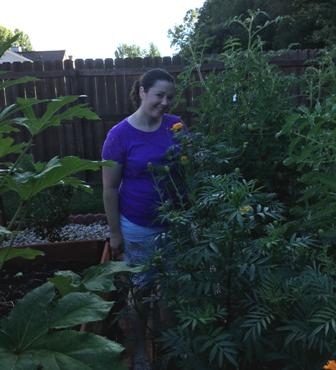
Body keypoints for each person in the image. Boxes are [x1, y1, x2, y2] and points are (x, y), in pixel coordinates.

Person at [101, 68, 183, 369]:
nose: (165, 102)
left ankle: (167, 350)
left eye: (170, 97)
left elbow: (185, 171)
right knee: (141, 292)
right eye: (159, 95)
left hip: (175, 224)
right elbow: (109, 189)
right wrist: (115, 233)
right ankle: (137, 352)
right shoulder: (119, 135)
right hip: (138, 227)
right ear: (142, 92)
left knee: (171, 293)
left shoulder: (176, 126)